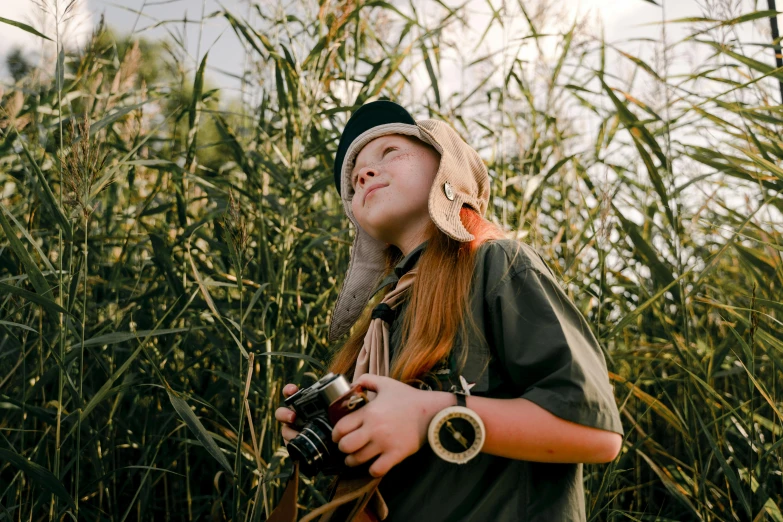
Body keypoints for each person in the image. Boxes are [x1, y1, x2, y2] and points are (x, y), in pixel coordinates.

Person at [274, 99, 624, 521]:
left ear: (447, 171)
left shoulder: (498, 265)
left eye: (390, 153)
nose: (363, 173)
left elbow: (595, 432)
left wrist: (430, 414)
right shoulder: (381, 324)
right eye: (354, 180)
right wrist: (338, 441)